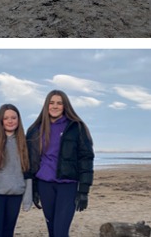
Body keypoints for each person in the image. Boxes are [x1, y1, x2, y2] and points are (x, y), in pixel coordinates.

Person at [26, 90, 94, 237]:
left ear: (65, 106)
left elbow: (86, 158)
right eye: (51, 103)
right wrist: (34, 188)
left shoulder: (76, 127)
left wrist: (83, 191)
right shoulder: (35, 130)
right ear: (46, 105)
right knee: (52, 231)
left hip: (67, 185)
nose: (55, 106)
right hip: (45, 185)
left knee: (60, 232)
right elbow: (30, 161)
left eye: (59, 103)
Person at [0, 104, 33, 237]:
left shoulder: (24, 141)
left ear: (18, 120)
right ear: (0, 120)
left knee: (8, 233)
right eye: (6, 118)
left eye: (13, 117)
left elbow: (28, 173)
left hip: (15, 195)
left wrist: (27, 199)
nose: (10, 121)